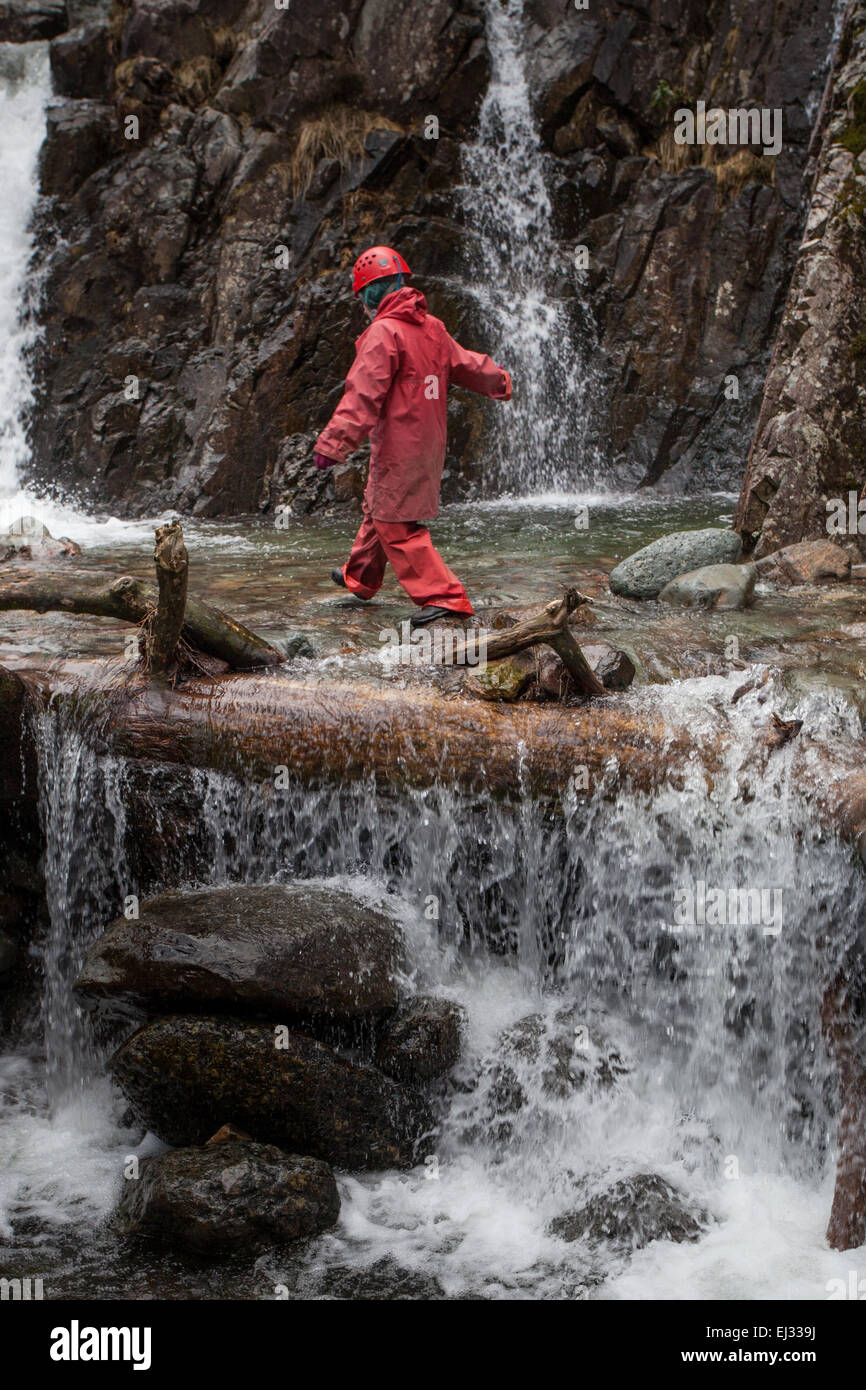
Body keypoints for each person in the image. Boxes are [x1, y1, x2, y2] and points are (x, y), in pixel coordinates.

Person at [313, 245, 512, 627]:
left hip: (401, 445)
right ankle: (361, 576)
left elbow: (362, 395)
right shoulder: (431, 327)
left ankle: (444, 596)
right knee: (379, 507)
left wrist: (333, 445)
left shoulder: (382, 332)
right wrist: (501, 380)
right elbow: (467, 364)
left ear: (370, 294)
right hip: (428, 443)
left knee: (395, 523)